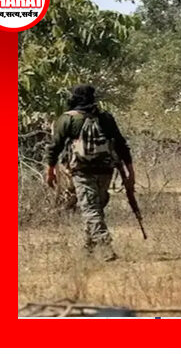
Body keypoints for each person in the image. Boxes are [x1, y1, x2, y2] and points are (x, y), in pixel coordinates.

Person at [45, 84, 134, 261]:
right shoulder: (105, 118)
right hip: (106, 169)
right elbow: (121, 145)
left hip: (81, 170)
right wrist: (130, 171)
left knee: (90, 208)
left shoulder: (68, 119)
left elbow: (55, 147)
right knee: (95, 207)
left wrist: (50, 170)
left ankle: (105, 247)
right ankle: (89, 249)